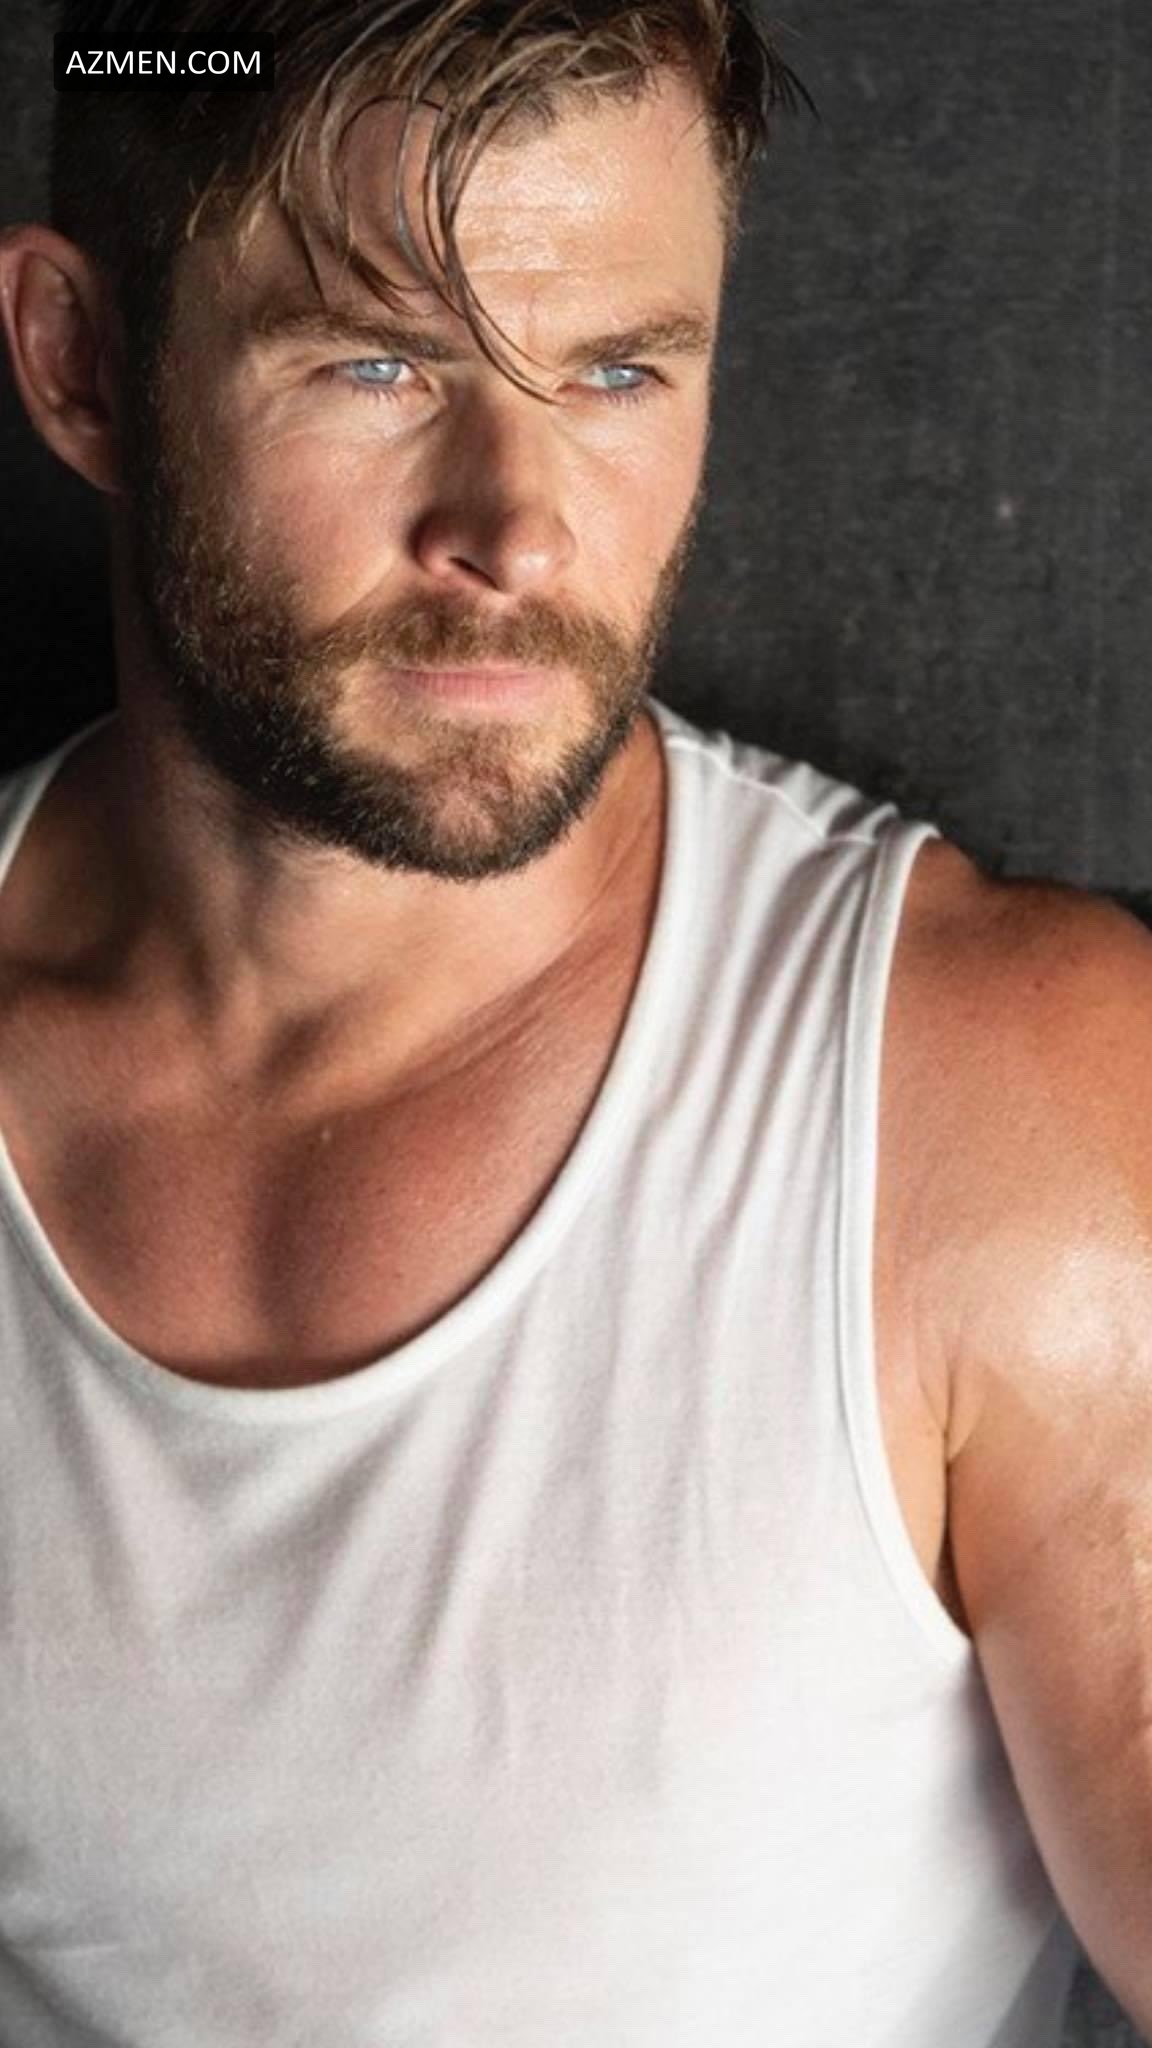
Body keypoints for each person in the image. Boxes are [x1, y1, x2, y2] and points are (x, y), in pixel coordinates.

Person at [0, 3, 1150, 2042]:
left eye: (618, 370)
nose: (518, 527)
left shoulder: (997, 1116)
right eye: (379, 362)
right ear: (81, 359)